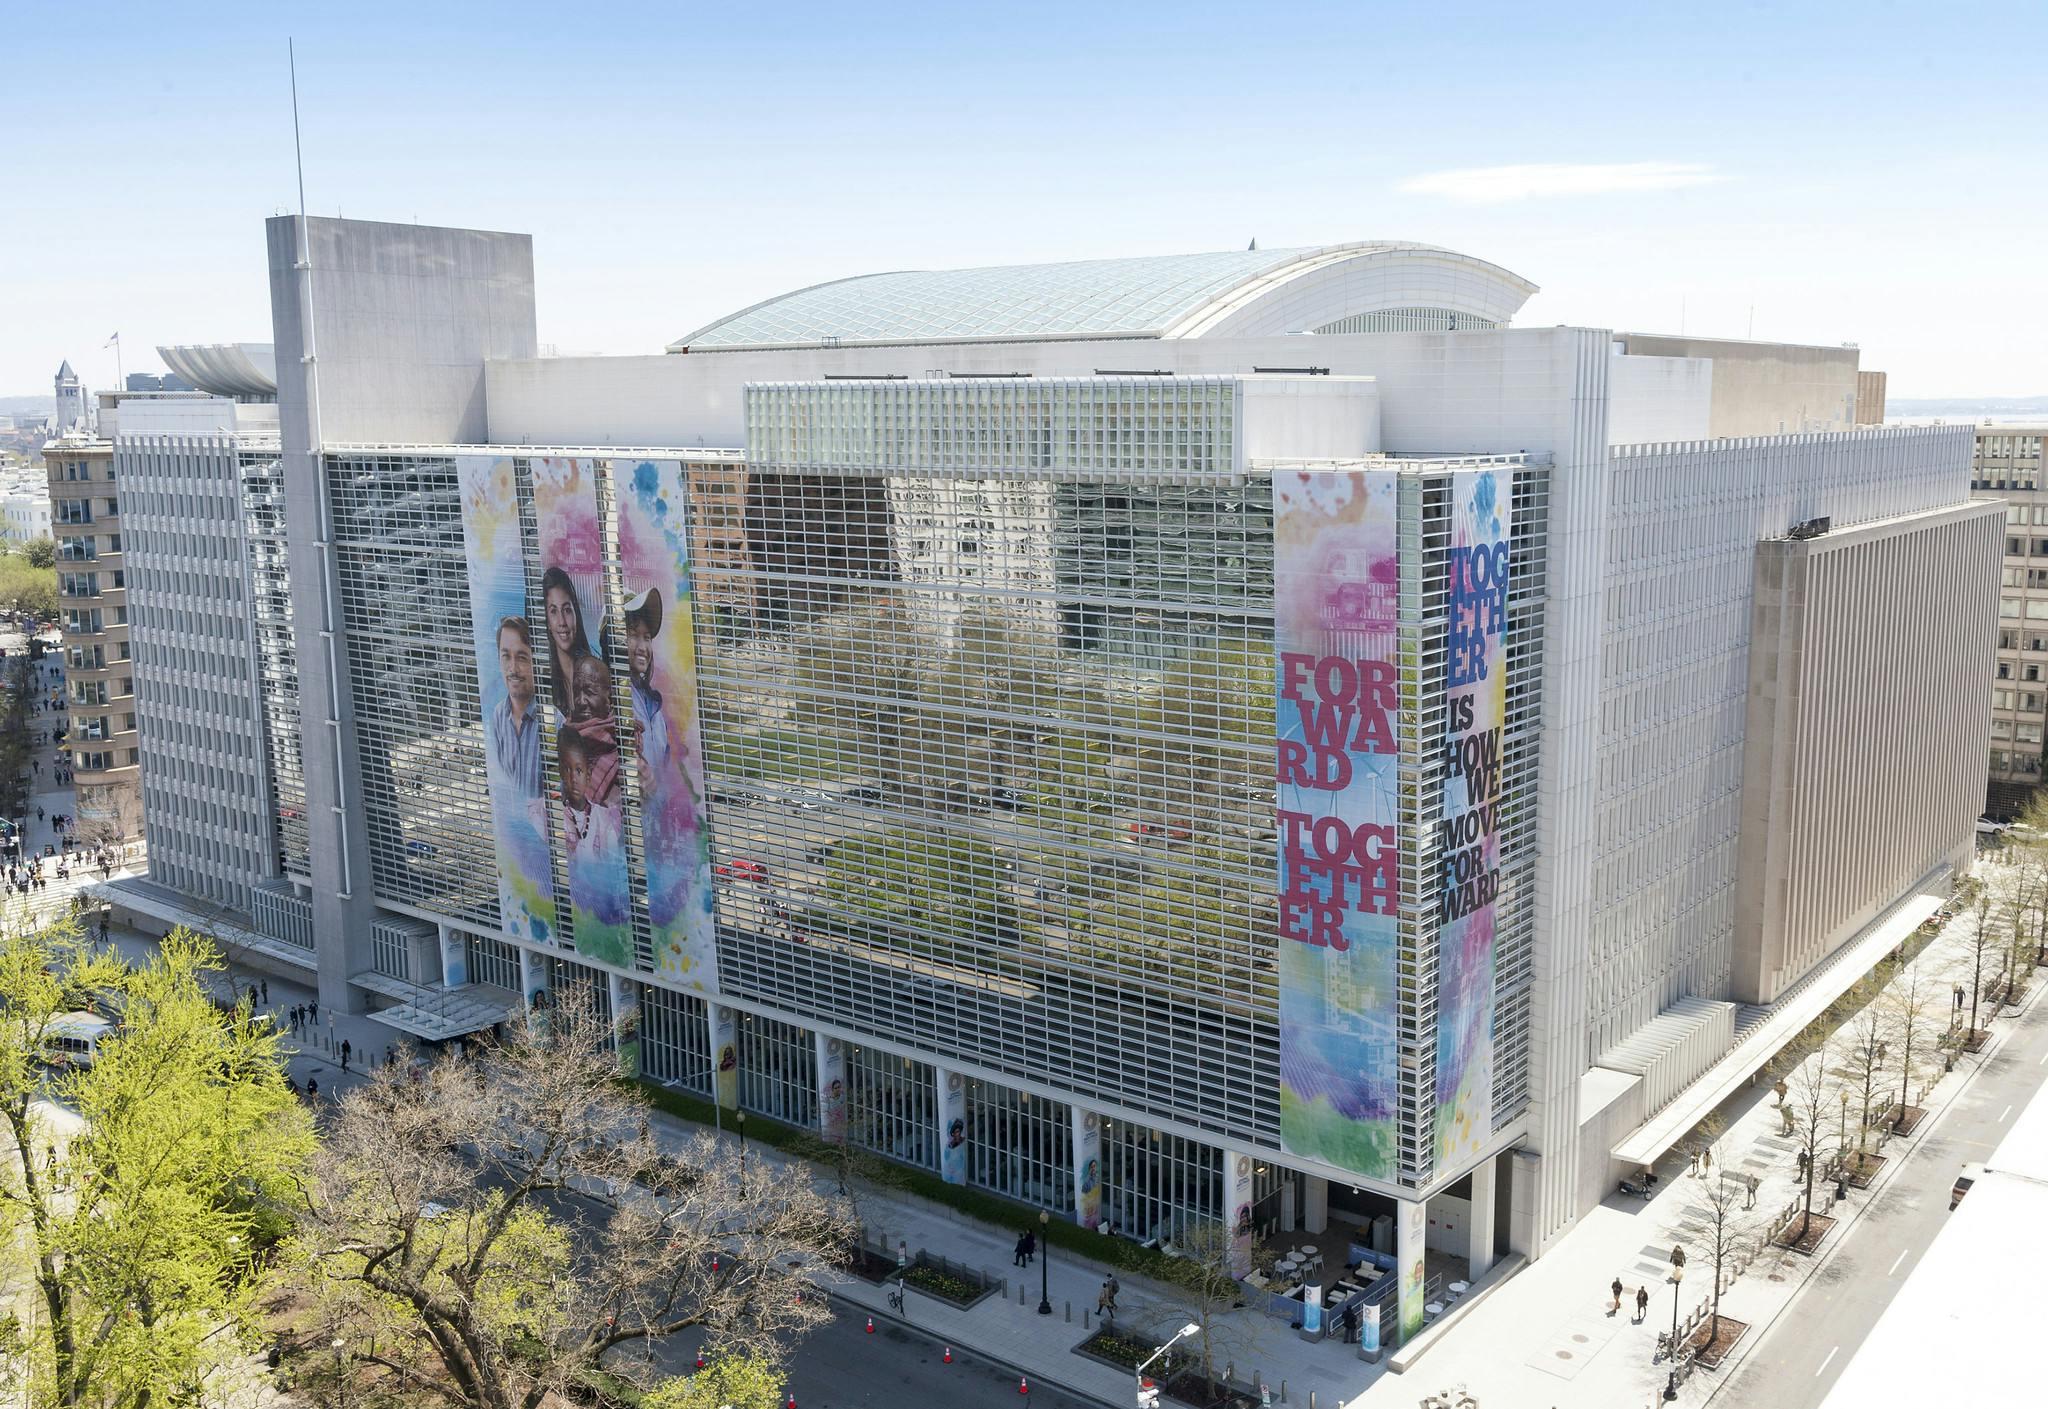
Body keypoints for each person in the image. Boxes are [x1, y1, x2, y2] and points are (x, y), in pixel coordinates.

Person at [489, 616, 544, 798]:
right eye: (506, 656)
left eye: (521, 658)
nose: (513, 668)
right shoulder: (498, 715)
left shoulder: (554, 719)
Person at [623, 587, 672, 776]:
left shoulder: (655, 705)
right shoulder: (608, 701)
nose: (643, 647)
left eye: (647, 637)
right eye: (634, 635)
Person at [558, 729, 623, 864]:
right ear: (561, 774)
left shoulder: (603, 819)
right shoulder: (556, 817)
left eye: (579, 771)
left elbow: (613, 863)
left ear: (588, 777)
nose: (573, 779)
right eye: (567, 769)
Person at [540, 566, 593, 715]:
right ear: (547, 622)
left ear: (576, 614)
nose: (562, 621)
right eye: (553, 611)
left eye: (567, 609)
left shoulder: (596, 674)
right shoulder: (544, 683)